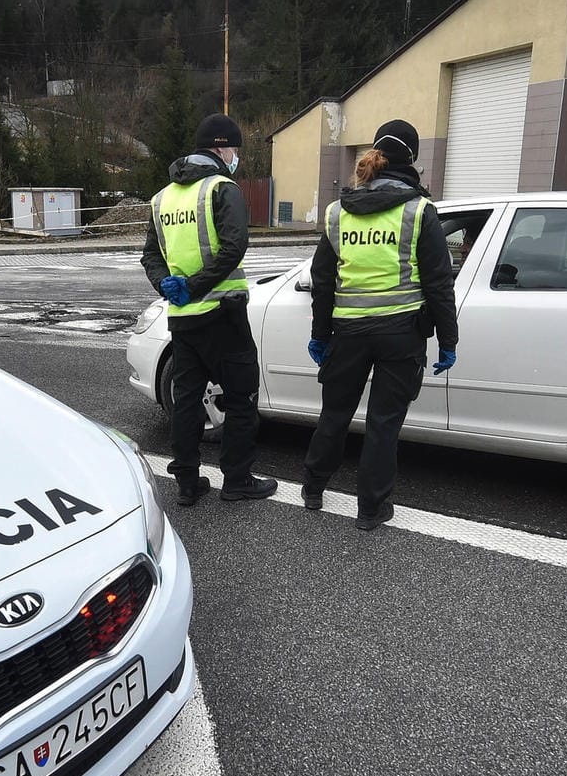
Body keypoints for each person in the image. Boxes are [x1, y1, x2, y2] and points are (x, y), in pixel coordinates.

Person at [301, 120, 459, 531]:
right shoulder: (420, 211)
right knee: (383, 423)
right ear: (411, 162)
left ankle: (313, 489)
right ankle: (371, 509)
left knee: (334, 413)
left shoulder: (339, 212)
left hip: (348, 334)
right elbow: (439, 282)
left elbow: (323, 280)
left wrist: (320, 335)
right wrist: (448, 340)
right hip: (400, 334)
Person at [140, 113, 277, 506]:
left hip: (182, 318)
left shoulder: (162, 197)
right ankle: (237, 479)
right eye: (234, 148)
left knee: (187, 398)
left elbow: (150, 254)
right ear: (221, 148)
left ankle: (186, 481)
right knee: (240, 395)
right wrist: (196, 285)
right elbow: (234, 247)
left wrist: (168, 285)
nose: (236, 156)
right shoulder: (222, 187)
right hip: (223, 312)